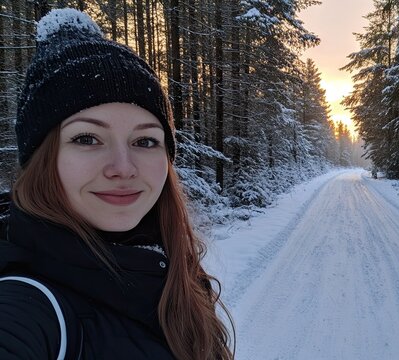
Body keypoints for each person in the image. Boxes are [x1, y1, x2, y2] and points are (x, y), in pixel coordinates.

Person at [0, 8, 233, 360]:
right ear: (42, 159)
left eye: (145, 141)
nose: (123, 168)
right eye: (87, 138)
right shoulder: (28, 308)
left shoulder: (171, 269)